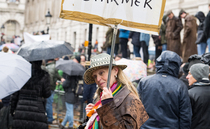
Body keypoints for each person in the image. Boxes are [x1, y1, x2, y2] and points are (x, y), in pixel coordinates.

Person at [83, 53, 149, 129]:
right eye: (95, 76)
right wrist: (92, 117)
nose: (98, 79)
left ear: (115, 71)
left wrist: (107, 106)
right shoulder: (101, 96)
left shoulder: (130, 99)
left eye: (101, 73)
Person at [138, 51, 192, 129]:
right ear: (176, 66)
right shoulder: (180, 86)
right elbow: (185, 115)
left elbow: (136, 108)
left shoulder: (144, 82)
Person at [10, 61, 51, 129]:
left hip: (21, 110)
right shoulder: (44, 75)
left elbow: (14, 95)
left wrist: (12, 110)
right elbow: (47, 94)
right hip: (37, 110)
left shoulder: (21, 74)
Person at [60, 56, 82, 129]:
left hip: (69, 94)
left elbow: (65, 84)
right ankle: (63, 124)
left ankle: (70, 125)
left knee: (69, 111)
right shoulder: (78, 75)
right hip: (74, 94)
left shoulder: (70, 75)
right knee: (69, 110)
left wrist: (63, 83)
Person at [186, 63, 210, 129]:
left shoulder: (190, 93)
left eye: (190, 74)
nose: (187, 77)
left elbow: (185, 118)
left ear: (197, 76)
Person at [44, 59, 61, 124]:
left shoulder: (48, 67)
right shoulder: (54, 66)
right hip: (51, 88)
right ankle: (50, 117)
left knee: (48, 103)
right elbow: (56, 76)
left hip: (49, 88)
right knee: (49, 103)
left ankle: (50, 118)